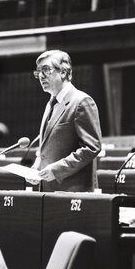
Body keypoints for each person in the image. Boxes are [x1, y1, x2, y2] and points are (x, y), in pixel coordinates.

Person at [31, 49, 102, 192]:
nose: (41, 76)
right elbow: (47, 148)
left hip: (72, 192)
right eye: (38, 71)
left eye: (46, 70)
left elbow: (92, 147)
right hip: (48, 190)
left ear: (63, 72)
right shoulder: (50, 103)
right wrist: (37, 165)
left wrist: (57, 170)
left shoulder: (81, 101)